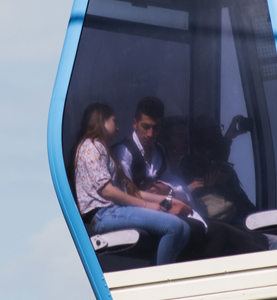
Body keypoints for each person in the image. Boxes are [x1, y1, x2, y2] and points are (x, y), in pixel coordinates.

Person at [70, 102, 193, 265]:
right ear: (102, 121)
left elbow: (130, 191)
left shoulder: (102, 149)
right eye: (115, 121)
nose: (118, 128)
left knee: (184, 230)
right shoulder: (91, 147)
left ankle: (156, 271)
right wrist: (147, 205)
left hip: (114, 211)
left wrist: (171, 200)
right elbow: (108, 192)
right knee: (173, 226)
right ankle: (160, 281)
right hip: (104, 214)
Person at [113, 95, 172, 193]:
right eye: (145, 127)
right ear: (134, 123)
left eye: (156, 128)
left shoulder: (160, 150)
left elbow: (170, 182)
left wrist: (168, 189)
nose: (150, 134)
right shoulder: (123, 151)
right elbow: (126, 193)